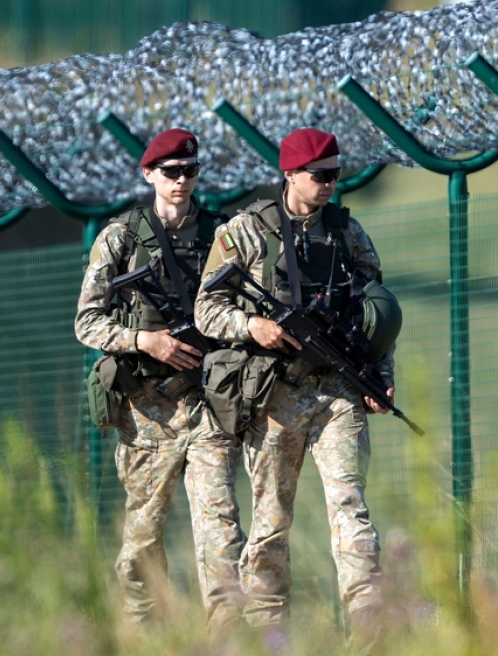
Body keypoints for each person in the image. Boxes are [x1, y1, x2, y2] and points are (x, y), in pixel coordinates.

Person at [195, 127, 395, 646]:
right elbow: (206, 308)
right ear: (289, 174)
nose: (330, 185)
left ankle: (370, 626)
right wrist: (252, 327)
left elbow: (375, 314)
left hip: (337, 393)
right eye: (319, 176)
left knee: (350, 506)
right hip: (275, 395)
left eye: (335, 175)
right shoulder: (244, 232)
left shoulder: (348, 234)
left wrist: (379, 378)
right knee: (270, 521)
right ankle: (269, 632)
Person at [74, 128, 245, 633]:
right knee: (143, 542)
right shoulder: (120, 238)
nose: (182, 181)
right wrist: (145, 341)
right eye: (171, 172)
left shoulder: (221, 234)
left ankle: (228, 638)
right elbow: (87, 322)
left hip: (208, 404)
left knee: (221, 530)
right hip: (148, 412)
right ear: (149, 174)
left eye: (190, 171)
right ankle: (142, 635)